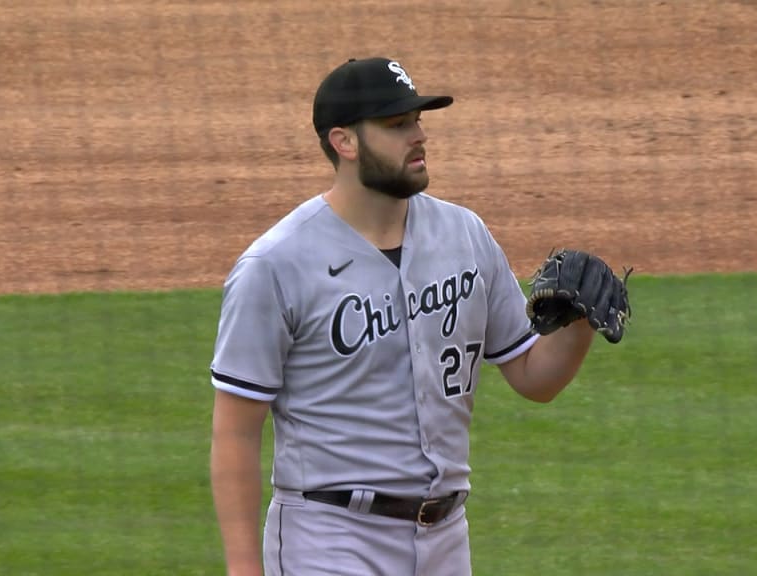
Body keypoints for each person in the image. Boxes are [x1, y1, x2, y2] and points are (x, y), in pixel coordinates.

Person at [208, 56, 620, 576]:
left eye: (418, 120)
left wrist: (577, 324)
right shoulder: (275, 266)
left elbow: (534, 377)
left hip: (447, 539)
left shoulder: (465, 235)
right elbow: (235, 433)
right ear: (345, 142)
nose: (419, 135)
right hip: (331, 540)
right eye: (397, 124)